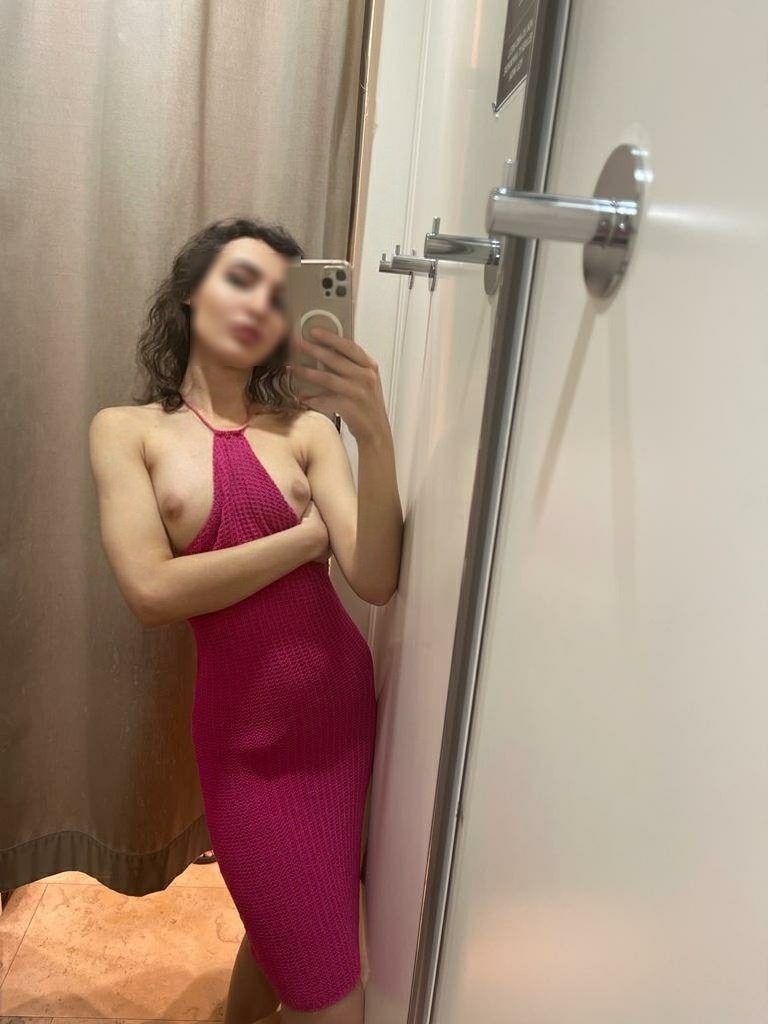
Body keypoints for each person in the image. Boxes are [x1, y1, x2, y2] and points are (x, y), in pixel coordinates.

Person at [88, 216, 404, 1024]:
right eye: (239, 279)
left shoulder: (308, 430)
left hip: (340, 725)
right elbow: (151, 592)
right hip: (245, 748)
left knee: (282, 936)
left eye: (277, 293)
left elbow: (374, 577)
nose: (259, 303)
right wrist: (304, 540)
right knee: (329, 992)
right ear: (190, 294)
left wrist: (373, 431)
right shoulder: (127, 431)